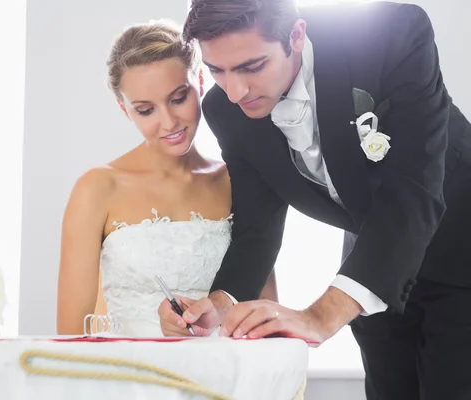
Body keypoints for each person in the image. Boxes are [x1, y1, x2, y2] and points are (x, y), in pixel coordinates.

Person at [157, 0, 471, 398]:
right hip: (374, 276)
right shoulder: (226, 110)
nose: (235, 92)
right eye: (216, 70)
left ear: (296, 35)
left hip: (463, 247)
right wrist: (218, 304)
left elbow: (412, 187)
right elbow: (257, 224)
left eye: (252, 67)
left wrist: (321, 315)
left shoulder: (391, 35)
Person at [56, 20, 278, 337]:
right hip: (126, 379)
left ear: (199, 82)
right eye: (146, 110)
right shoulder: (97, 188)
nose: (169, 122)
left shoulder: (238, 182)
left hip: (225, 380)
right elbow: (69, 337)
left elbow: (264, 317)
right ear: (125, 109)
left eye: (178, 98)